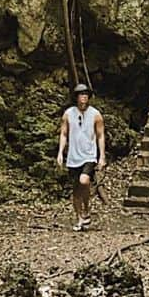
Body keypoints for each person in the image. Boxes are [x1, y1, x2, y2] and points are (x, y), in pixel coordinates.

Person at [57, 83, 105, 231]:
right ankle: (79, 218)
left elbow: (100, 135)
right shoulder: (68, 114)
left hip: (89, 155)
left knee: (84, 180)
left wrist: (102, 156)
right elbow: (64, 134)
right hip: (73, 156)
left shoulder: (96, 114)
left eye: (86, 94)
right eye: (81, 94)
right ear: (76, 97)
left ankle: (86, 209)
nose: (83, 97)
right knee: (76, 189)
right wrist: (60, 152)